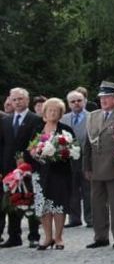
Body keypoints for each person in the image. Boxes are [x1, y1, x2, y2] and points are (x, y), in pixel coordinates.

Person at [26, 98, 76, 250]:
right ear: (45, 112)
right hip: (40, 173)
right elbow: (28, 150)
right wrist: (33, 153)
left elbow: (73, 150)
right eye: (50, 110)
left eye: (56, 110)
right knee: (44, 206)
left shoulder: (65, 130)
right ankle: (48, 237)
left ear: (61, 113)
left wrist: (61, 152)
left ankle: (59, 237)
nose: (53, 113)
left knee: (59, 206)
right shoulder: (37, 128)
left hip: (59, 173)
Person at [84, 81, 114, 250]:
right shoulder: (93, 115)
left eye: (107, 97)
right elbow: (87, 144)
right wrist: (86, 166)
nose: (103, 100)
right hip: (96, 166)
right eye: (102, 97)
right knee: (97, 204)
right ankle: (100, 236)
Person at [0, 88, 42, 248]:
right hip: (8, 169)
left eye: (20, 99)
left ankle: (34, 236)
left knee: (30, 201)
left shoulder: (36, 119)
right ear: (10, 101)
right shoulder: (5, 121)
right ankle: (14, 235)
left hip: (29, 168)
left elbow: (37, 143)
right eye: (14, 99)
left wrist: (28, 161)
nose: (17, 102)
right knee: (12, 202)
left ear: (27, 100)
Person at [61, 90, 92, 228]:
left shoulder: (92, 117)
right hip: (69, 161)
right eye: (73, 101)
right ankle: (74, 218)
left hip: (87, 159)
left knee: (88, 190)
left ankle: (91, 218)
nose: (76, 103)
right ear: (68, 104)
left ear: (84, 101)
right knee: (71, 189)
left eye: (79, 100)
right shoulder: (63, 118)